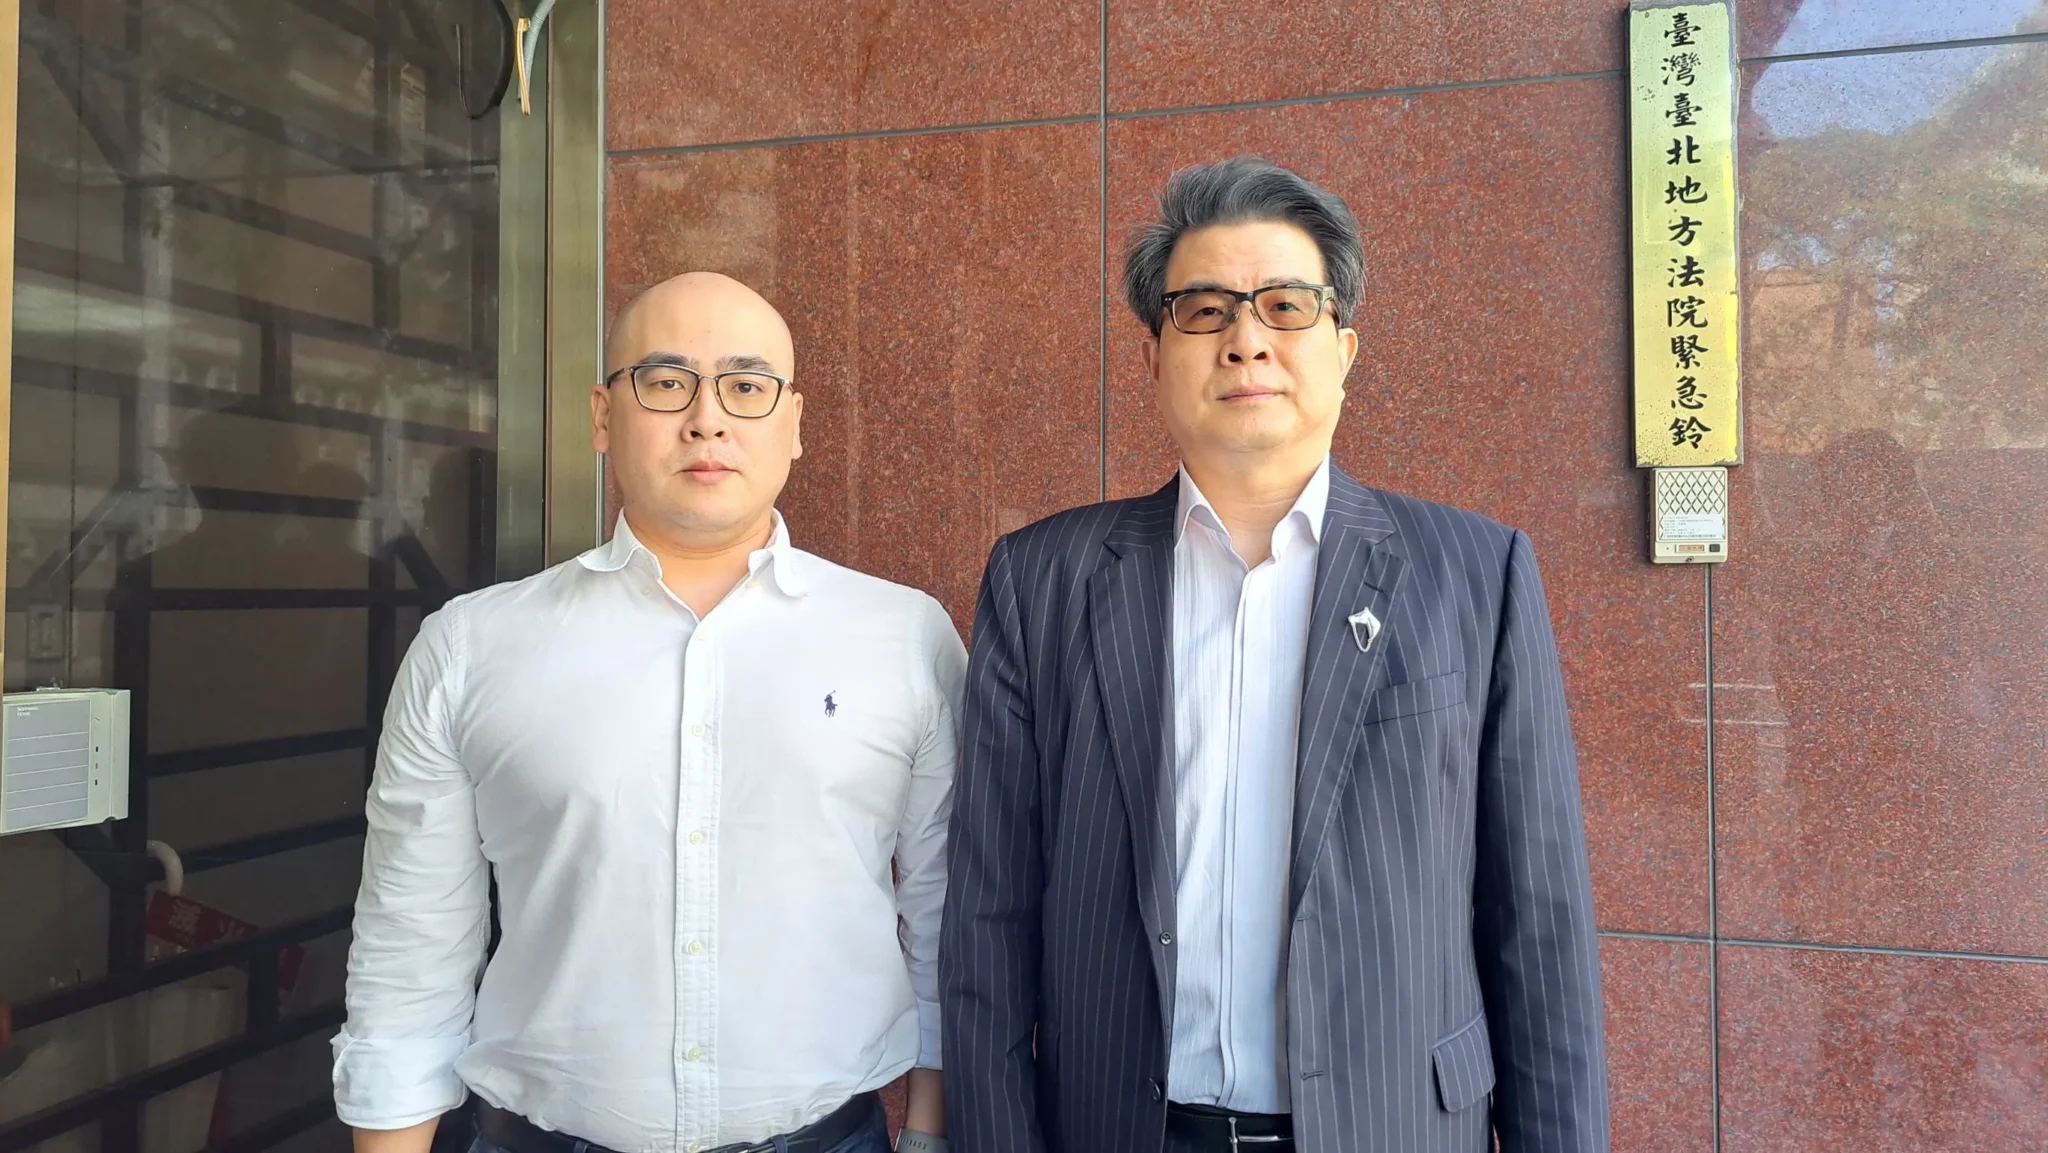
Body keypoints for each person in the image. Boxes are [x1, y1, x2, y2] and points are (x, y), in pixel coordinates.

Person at [941, 160, 1608, 1153]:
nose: (1245, 338)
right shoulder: (1043, 579)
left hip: (1393, 1125)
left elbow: (1539, 920)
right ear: (1152, 356)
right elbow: (987, 916)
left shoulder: (1475, 573)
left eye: (1285, 306)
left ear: (1343, 348)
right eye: (1203, 310)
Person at [335, 272, 962, 1153]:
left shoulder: (903, 636)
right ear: (602, 415)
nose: (707, 419)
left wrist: (931, 1130)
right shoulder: (472, 647)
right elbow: (411, 950)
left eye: (746, 386)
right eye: (666, 382)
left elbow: (947, 915)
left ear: (793, 423)